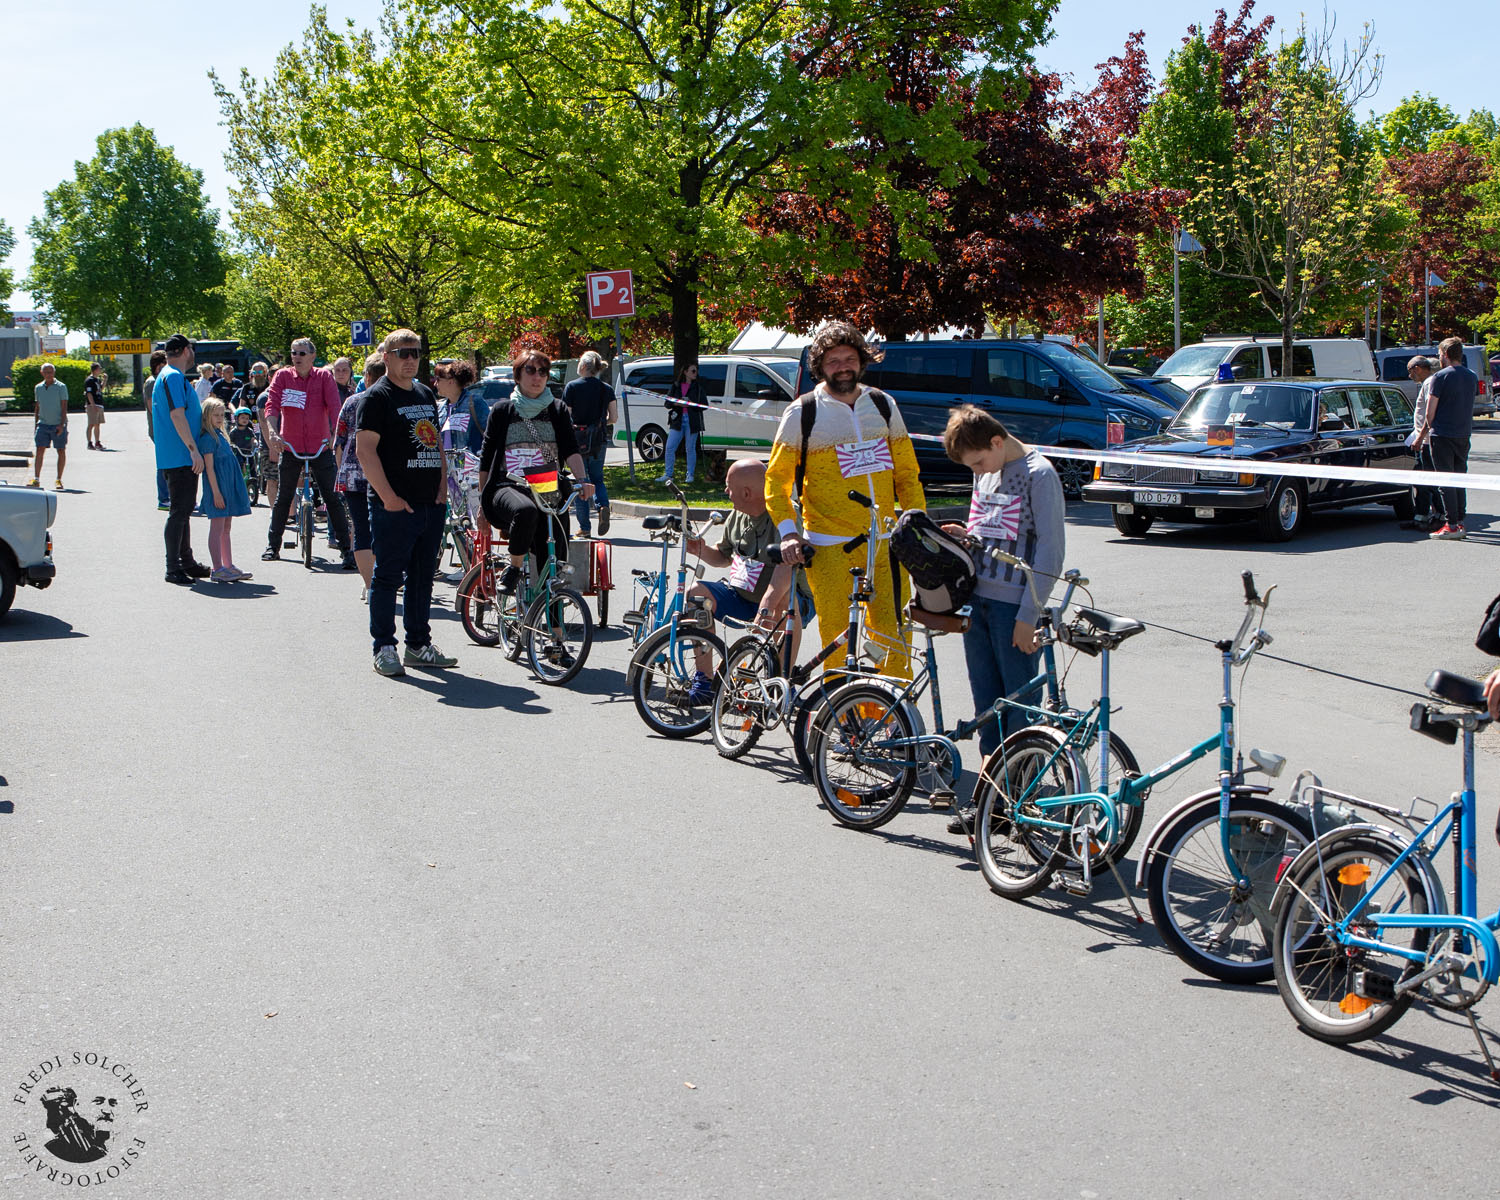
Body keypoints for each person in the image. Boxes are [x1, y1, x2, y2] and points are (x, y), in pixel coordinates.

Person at [766, 321, 926, 678]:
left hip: (886, 545)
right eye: (833, 360)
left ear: (862, 361)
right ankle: (841, 725)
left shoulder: (883, 405)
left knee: (894, 637)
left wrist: (916, 525)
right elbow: (776, 480)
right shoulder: (803, 412)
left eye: (849, 358)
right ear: (820, 367)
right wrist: (790, 532)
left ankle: (892, 722)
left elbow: (907, 475)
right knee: (838, 641)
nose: (842, 367)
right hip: (829, 548)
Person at [939, 405, 1065, 834]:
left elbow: (1049, 550)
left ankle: (1022, 802)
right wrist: (966, 537)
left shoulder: (1039, 474)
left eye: (978, 461)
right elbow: (989, 527)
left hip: (1016, 607)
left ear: (996, 441)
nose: (977, 471)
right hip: (980, 600)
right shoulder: (985, 470)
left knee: (1019, 710)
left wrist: (1029, 615)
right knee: (987, 708)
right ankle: (993, 802)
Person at [354, 328, 457, 677]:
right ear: (387, 357)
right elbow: (364, 452)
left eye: (415, 352)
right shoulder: (376, 397)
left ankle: (418, 645)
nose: (410, 358)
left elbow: (435, 444)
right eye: (403, 352)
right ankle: (384, 647)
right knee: (387, 578)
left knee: (422, 577)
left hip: (430, 502)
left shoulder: (426, 393)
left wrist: (443, 485)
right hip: (394, 505)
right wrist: (389, 499)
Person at [683, 457, 812, 702]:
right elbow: (723, 556)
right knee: (696, 593)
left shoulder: (785, 515)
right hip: (743, 595)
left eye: (729, 486)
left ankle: (781, 684)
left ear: (746, 492)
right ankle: (705, 681)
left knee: (784, 602)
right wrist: (700, 549)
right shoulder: (737, 515)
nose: (725, 491)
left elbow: (787, 568)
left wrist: (765, 608)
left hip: (785, 599)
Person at [477, 349, 594, 597]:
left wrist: (583, 480)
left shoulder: (557, 409)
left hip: (546, 485)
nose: (537, 377)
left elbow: (571, 450)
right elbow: (486, 460)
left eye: (543, 371)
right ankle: (514, 567)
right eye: (530, 370)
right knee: (525, 510)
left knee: (552, 556)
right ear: (518, 375)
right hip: (507, 485)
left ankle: (554, 624)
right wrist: (482, 506)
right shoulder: (502, 411)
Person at [261, 337, 354, 568]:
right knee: (284, 497)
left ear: (312, 356)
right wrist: (273, 432)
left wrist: (336, 436)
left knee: (332, 498)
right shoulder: (282, 376)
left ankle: (347, 551)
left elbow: (335, 407)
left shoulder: (323, 377)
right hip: (290, 446)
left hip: (320, 446)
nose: (297, 357)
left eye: (302, 353)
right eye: (294, 353)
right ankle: (273, 546)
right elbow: (271, 405)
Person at [153, 333, 211, 585]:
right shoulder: (173, 376)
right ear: (186, 350)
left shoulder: (168, 375)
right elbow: (177, 415)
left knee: (184, 510)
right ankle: (172, 566)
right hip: (179, 455)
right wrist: (193, 449)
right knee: (179, 511)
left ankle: (185, 561)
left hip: (176, 454)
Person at [335, 354, 383, 597]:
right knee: (384, 529)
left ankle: (370, 584)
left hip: (353, 474)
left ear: (366, 376)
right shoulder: (389, 402)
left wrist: (342, 471)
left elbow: (339, 441)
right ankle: (384, 580)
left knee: (362, 529)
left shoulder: (352, 402)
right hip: (384, 474)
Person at [1423, 336, 1477, 540]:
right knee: (1459, 478)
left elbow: (1430, 411)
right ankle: (1460, 521)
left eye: (1439, 354)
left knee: (1445, 480)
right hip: (1463, 433)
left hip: (1443, 433)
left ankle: (1451, 524)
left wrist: (1429, 426)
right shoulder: (1471, 376)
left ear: (1445, 354)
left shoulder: (1440, 377)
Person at [195, 398, 254, 582]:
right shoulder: (207, 439)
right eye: (216, 415)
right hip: (218, 488)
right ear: (207, 416)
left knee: (226, 527)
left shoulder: (221, 435)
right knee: (217, 527)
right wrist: (216, 493)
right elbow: (210, 468)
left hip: (228, 487)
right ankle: (217, 568)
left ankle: (228, 565)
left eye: (222, 415)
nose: (220, 418)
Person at [561, 350, 617, 535]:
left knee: (580, 481)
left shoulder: (572, 387)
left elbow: (565, 416)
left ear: (584, 366)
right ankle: (603, 506)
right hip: (598, 441)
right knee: (598, 478)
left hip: (576, 441)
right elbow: (614, 417)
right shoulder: (606, 389)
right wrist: (599, 424)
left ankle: (585, 528)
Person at [1401, 356, 1445, 531]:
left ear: (1418, 368)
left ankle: (1440, 516)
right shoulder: (1427, 383)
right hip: (1424, 439)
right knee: (1421, 480)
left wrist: (1420, 438)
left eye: (1410, 371)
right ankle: (1422, 516)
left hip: (1426, 441)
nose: (1409, 375)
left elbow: (1429, 414)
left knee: (1429, 480)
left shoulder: (1429, 384)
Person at [234, 362, 275, 511]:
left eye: (260, 372)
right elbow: (242, 405)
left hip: (266, 422)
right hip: (251, 422)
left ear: (265, 373)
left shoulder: (269, 388)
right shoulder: (246, 388)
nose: (257, 375)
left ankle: (262, 478)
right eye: (255, 372)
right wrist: (240, 419)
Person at [29, 362, 70, 489]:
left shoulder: (61, 387)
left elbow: (64, 406)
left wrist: (61, 424)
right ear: (42, 373)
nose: (48, 374)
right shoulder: (38, 387)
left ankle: (58, 479)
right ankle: (36, 479)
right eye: (46, 372)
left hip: (57, 424)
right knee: (40, 450)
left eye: (50, 372)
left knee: (60, 450)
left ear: (54, 373)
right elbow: (38, 406)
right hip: (43, 424)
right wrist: (36, 424)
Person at [662, 362, 704, 486]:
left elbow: (703, 405)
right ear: (685, 372)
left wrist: (691, 402)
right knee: (670, 447)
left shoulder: (698, 388)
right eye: (693, 371)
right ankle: (668, 474)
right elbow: (667, 403)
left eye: (696, 371)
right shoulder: (676, 386)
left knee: (690, 448)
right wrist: (677, 403)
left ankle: (690, 474)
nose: (695, 373)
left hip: (692, 420)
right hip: (678, 420)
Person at [144, 350, 169, 508]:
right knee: (164, 463)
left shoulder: (159, 379)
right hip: (160, 429)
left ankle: (167, 496)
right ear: (158, 365)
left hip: (164, 428)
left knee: (168, 463)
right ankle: (164, 498)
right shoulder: (152, 382)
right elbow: (152, 407)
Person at [83, 362, 106, 450]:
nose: (100, 370)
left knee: (97, 424)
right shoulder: (89, 380)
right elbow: (89, 393)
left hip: (99, 404)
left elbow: (101, 389)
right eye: (99, 369)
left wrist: (105, 380)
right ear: (95, 370)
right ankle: (89, 443)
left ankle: (97, 442)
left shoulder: (97, 380)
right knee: (91, 424)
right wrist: (92, 405)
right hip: (92, 405)